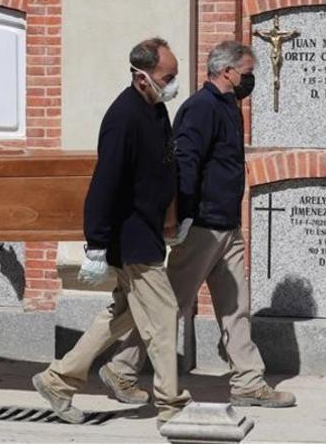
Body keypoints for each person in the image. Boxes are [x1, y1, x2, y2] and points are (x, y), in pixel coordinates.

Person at [100, 41, 295, 409]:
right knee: (169, 306)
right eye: (248, 73)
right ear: (228, 72)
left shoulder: (228, 106)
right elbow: (186, 163)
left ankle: (248, 381)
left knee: (236, 306)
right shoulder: (201, 108)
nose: (250, 80)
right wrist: (183, 217)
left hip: (227, 225)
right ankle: (122, 369)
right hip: (202, 226)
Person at [32, 38, 193, 427]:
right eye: (166, 77)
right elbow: (106, 182)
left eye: (173, 76)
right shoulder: (124, 117)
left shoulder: (155, 111)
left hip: (148, 231)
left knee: (120, 314)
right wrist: (97, 244)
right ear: (142, 78)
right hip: (132, 237)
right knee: (164, 314)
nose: (172, 84)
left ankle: (58, 379)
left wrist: (175, 217)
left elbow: (162, 169)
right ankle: (171, 403)